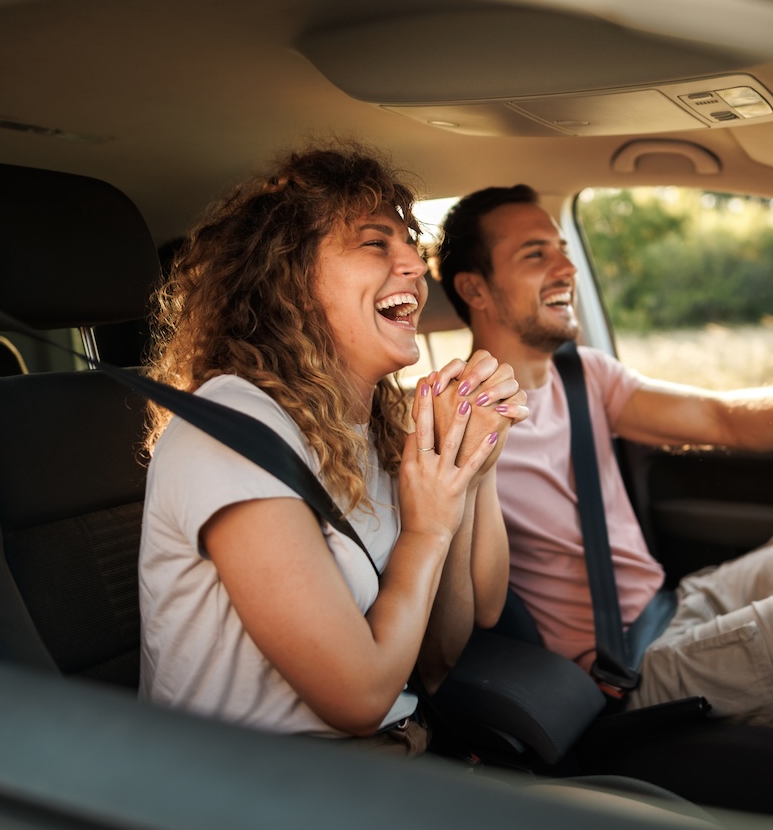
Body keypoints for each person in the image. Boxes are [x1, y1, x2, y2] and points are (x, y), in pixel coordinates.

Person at [434, 184, 773, 784]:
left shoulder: (584, 375)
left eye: (562, 247)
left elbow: (721, 417)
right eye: (534, 254)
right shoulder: (454, 422)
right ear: (474, 289)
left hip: (677, 602)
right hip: (625, 669)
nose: (566, 267)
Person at [137, 144, 527, 755]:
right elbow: (361, 698)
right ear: (288, 280)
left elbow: (436, 660)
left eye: (409, 243)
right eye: (376, 243)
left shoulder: (367, 430)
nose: (416, 266)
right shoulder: (231, 430)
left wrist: (468, 461)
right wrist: (424, 532)